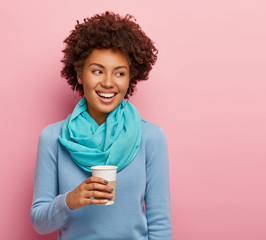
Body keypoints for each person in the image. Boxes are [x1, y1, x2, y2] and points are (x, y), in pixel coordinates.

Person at [30, 11, 172, 240]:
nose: (108, 82)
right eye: (97, 71)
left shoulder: (151, 137)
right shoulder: (53, 138)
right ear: (79, 74)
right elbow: (39, 222)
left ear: (130, 78)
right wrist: (70, 200)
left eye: (119, 73)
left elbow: (160, 224)